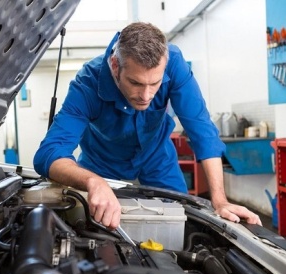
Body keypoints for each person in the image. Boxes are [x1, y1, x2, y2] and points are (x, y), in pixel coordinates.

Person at [34, 22, 261, 229]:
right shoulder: (87, 84)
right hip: (101, 164)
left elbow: (202, 130)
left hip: (156, 158)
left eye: (155, 83)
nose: (146, 95)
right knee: (92, 225)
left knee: (180, 221)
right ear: (115, 65)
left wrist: (220, 200)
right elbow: (49, 153)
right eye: (135, 82)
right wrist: (92, 181)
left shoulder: (174, 62)